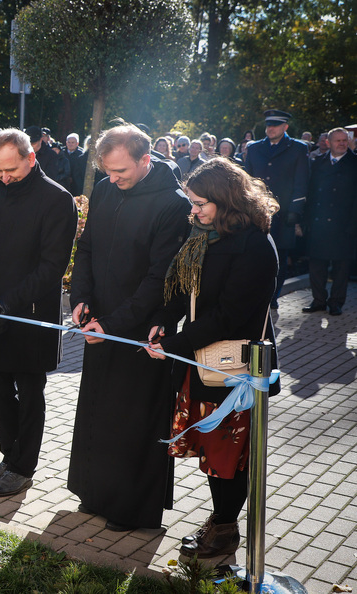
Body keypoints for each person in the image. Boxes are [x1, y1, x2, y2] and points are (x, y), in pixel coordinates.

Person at [145, 157, 279, 560]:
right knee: (212, 452)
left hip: (235, 370)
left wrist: (174, 345)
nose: (193, 210)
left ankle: (225, 528)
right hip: (201, 360)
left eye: (201, 203)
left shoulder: (255, 245)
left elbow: (230, 316)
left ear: (226, 200)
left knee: (229, 456)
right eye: (192, 202)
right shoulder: (205, 233)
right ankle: (220, 518)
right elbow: (181, 285)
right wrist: (163, 322)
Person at [68, 122, 191, 530]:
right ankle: (97, 493)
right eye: (108, 171)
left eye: (121, 171)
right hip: (99, 322)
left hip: (138, 329)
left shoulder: (172, 204)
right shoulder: (105, 189)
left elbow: (160, 279)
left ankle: (130, 508)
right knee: (98, 413)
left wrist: (115, 322)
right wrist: (80, 297)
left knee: (131, 421)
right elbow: (85, 247)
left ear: (145, 159)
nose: (113, 179)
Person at [0, 129, 77, 497]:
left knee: (30, 393)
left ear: (31, 158)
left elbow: (50, 268)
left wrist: (8, 303)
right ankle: (7, 456)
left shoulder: (57, 200)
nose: (3, 177)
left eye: (10, 169)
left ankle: (23, 467)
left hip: (30, 314)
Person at [244, 109, 310, 308]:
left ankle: (273, 297)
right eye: (268, 125)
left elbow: (301, 181)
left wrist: (295, 210)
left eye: (275, 125)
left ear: (285, 127)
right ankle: (256, 292)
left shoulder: (298, 148)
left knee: (279, 257)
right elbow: (247, 179)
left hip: (283, 213)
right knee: (254, 253)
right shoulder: (255, 148)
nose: (270, 129)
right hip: (257, 211)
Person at [303, 128, 357, 316]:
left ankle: (336, 302)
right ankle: (319, 300)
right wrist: (306, 221)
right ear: (328, 142)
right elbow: (310, 193)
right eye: (338, 141)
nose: (342, 143)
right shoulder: (318, 163)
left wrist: (353, 225)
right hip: (319, 223)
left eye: (345, 140)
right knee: (317, 265)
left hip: (344, 224)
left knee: (341, 267)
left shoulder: (354, 163)